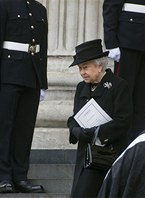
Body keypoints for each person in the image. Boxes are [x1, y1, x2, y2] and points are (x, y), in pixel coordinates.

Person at [67, 39, 132, 198]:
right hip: (85, 154)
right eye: (80, 68)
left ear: (99, 65)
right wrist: (75, 130)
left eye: (85, 67)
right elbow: (75, 117)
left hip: (107, 153)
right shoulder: (81, 87)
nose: (82, 72)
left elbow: (123, 120)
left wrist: (96, 132)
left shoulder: (118, 85)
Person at [0, 0, 48, 193]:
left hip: (32, 75)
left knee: (24, 129)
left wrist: (42, 83)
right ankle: (3, 176)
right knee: (4, 127)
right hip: (8, 74)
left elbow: (42, 49)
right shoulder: (4, 5)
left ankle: (20, 176)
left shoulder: (40, 9)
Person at [103, 0, 145, 142]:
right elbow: (111, 6)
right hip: (127, 40)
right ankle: (120, 142)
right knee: (124, 97)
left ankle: (138, 141)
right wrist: (111, 41)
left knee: (144, 98)